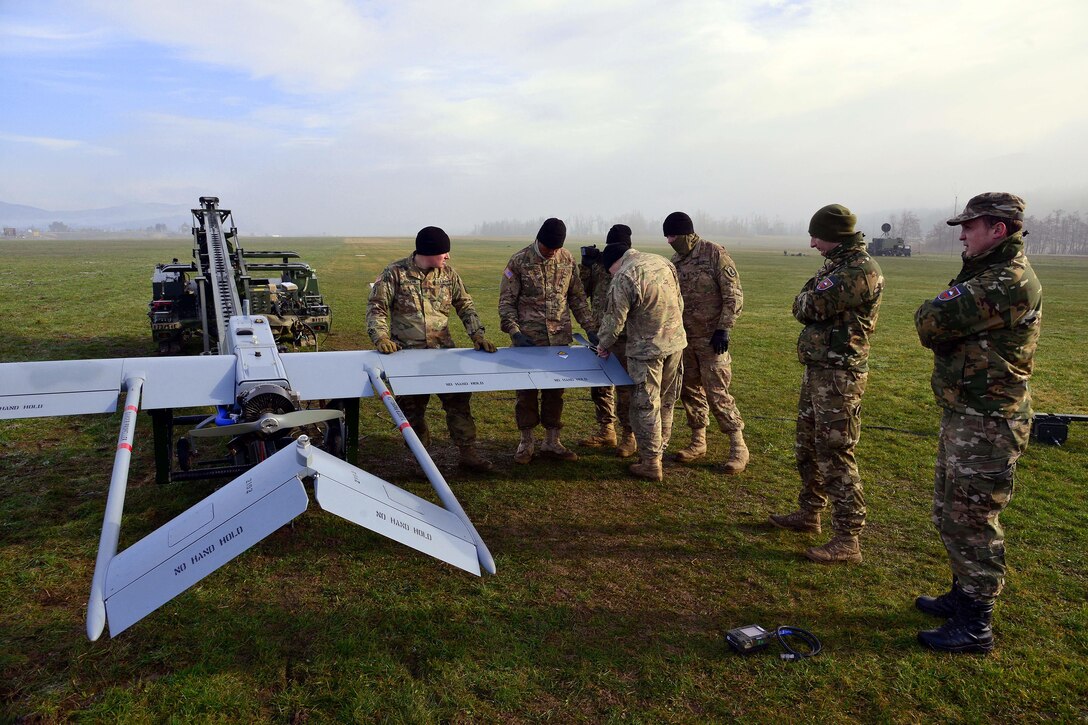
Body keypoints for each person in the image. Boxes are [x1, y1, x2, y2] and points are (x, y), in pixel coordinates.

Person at [913, 193, 1041, 654]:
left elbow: (930, 320)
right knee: (951, 513)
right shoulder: (985, 273)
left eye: (970, 227)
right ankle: (961, 595)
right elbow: (937, 320)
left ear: (999, 230)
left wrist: (939, 316)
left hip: (990, 420)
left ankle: (975, 625)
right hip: (967, 412)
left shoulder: (1008, 280)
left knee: (973, 521)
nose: (962, 234)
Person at [769, 204, 884, 564]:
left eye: (816, 235)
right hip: (820, 370)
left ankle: (848, 538)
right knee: (807, 445)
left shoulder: (857, 270)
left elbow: (808, 306)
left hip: (840, 375)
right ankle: (809, 513)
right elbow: (806, 301)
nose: (812, 242)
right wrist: (808, 296)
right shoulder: (837, 266)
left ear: (833, 235)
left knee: (835, 452)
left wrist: (808, 297)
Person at [366, 226, 498, 472]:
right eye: (444, 253)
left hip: (443, 355)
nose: (447, 257)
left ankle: (468, 453)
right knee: (412, 411)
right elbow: (377, 308)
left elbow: (465, 305)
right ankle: (421, 460)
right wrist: (381, 337)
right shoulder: (394, 274)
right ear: (428, 252)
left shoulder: (448, 274)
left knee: (459, 403)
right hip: (407, 357)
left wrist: (477, 335)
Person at [498, 218, 598, 464]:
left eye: (555, 249)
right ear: (538, 240)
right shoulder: (519, 261)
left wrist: (591, 329)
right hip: (528, 341)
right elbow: (506, 301)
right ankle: (526, 442)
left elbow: (576, 298)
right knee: (526, 392)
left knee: (555, 391)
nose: (551, 253)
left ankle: (552, 442)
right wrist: (515, 332)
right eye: (547, 249)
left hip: (559, 341)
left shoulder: (566, 259)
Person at [664, 211, 749, 473]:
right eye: (667, 236)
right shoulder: (676, 260)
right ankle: (698, 441)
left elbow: (733, 294)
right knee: (690, 391)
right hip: (685, 339)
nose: (670, 241)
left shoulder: (714, 254)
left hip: (712, 339)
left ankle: (738, 447)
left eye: (673, 236)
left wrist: (724, 328)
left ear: (687, 233)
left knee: (717, 393)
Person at [596, 243, 686, 481]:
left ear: (614, 263)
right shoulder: (662, 261)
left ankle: (651, 463)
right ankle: (659, 452)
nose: (611, 275)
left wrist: (603, 344)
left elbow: (615, 319)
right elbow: (679, 301)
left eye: (610, 271)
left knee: (645, 405)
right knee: (665, 402)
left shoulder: (624, 275)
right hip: (675, 344)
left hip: (647, 351)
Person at [578, 224, 637, 457]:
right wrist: (585, 266)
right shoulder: (600, 266)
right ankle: (607, 430)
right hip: (600, 334)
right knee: (600, 386)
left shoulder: (634, 266)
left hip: (625, 337)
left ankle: (629, 436)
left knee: (625, 389)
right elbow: (580, 293)